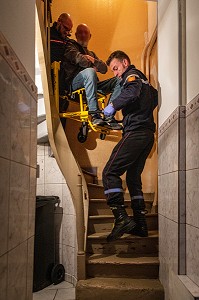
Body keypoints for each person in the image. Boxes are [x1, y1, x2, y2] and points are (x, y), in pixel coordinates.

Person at [102, 50, 158, 242]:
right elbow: (154, 97)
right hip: (148, 134)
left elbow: (132, 92)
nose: (115, 73)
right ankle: (141, 224)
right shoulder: (145, 82)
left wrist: (113, 106)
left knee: (110, 172)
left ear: (125, 63)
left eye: (116, 68)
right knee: (133, 178)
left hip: (136, 132)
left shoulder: (132, 76)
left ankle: (121, 218)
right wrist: (134, 115)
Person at [62, 23, 122, 128]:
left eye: (86, 32)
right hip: (75, 83)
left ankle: (108, 115)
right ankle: (95, 115)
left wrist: (93, 60)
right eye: (80, 32)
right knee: (90, 71)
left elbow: (104, 68)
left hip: (93, 84)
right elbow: (80, 60)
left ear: (90, 36)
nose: (83, 35)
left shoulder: (91, 54)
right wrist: (92, 66)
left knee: (120, 79)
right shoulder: (70, 45)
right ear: (75, 35)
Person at [50, 13, 73, 127]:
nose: (67, 32)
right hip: (50, 79)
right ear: (59, 21)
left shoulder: (67, 41)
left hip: (62, 85)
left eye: (70, 31)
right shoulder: (48, 33)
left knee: (62, 115)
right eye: (66, 28)